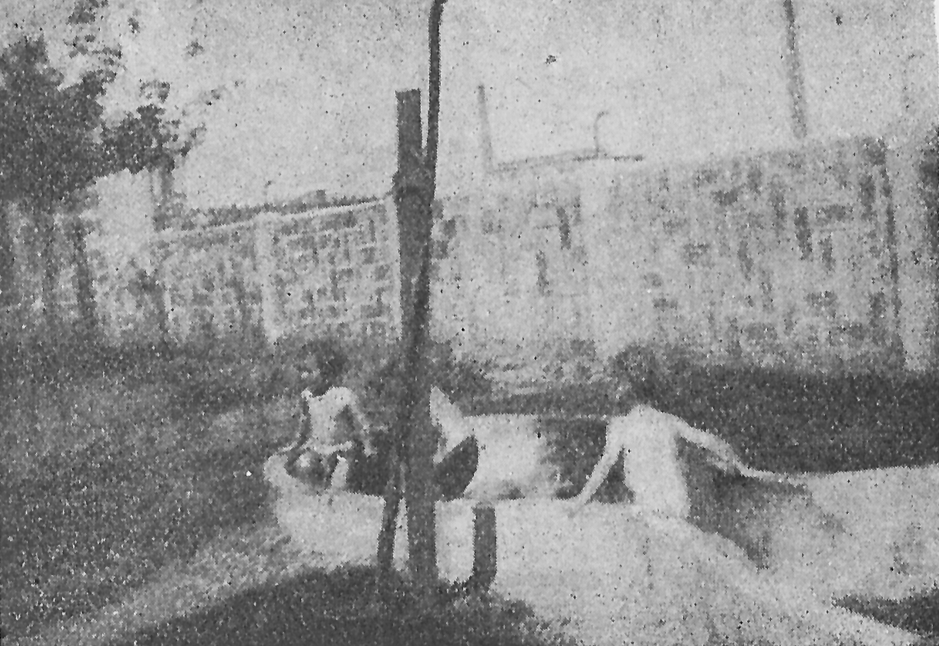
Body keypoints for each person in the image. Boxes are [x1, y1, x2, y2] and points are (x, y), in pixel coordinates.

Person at [280, 340, 375, 494]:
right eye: (302, 371)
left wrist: (367, 446)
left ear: (326, 372)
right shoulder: (307, 396)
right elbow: (304, 428)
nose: (304, 376)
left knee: (339, 484)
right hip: (317, 450)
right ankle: (314, 491)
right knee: (302, 467)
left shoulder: (344, 395)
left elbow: (362, 424)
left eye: (309, 371)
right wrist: (294, 447)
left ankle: (332, 491)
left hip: (341, 451)